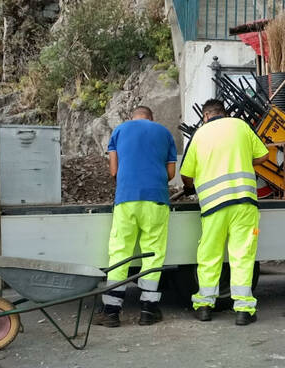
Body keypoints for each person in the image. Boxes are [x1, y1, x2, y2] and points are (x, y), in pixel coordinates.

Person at [180, 99, 269, 326]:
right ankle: (243, 310)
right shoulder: (240, 126)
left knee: (209, 255)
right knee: (242, 255)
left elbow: (186, 175)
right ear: (224, 113)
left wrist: (191, 186)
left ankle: (204, 306)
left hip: (213, 206)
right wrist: (242, 159)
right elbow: (264, 156)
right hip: (244, 203)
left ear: (206, 115)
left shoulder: (199, 135)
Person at [93, 106, 177, 327]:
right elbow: (170, 174)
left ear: (133, 117)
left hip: (126, 199)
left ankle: (111, 312)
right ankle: (148, 311)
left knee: (120, 251)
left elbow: (114, 171)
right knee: (153, 253)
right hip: (157, 200)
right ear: (152, 118)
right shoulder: (164, 133)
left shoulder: (120, 130)